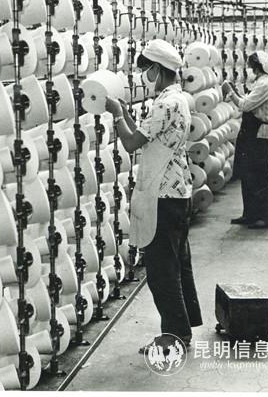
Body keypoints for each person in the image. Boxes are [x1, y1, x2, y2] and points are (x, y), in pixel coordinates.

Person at [105, 39, 202, 351]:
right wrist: (125, 116)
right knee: (178, 263)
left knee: (162, 270)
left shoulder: (164, 104)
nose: (143, 75)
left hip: (164, 196)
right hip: (178, 192)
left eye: (146, 69)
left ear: (158, 70)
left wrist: (116, 115)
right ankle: (184, 326)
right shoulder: (177, 99)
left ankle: (173, 335)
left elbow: (132, 143)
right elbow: (146, 136)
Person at [222, 51, 268, 229]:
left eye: (250, 66)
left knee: (259, 175)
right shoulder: (259, 83)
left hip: (259, 134)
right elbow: (247, 101)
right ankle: (250, 214)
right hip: (251, 132)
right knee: (248, 175)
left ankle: (265, 217)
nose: (248, 69)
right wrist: (237, 92)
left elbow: (245, 105)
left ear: (257, 67)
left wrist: (230, 92)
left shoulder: (265, 84)